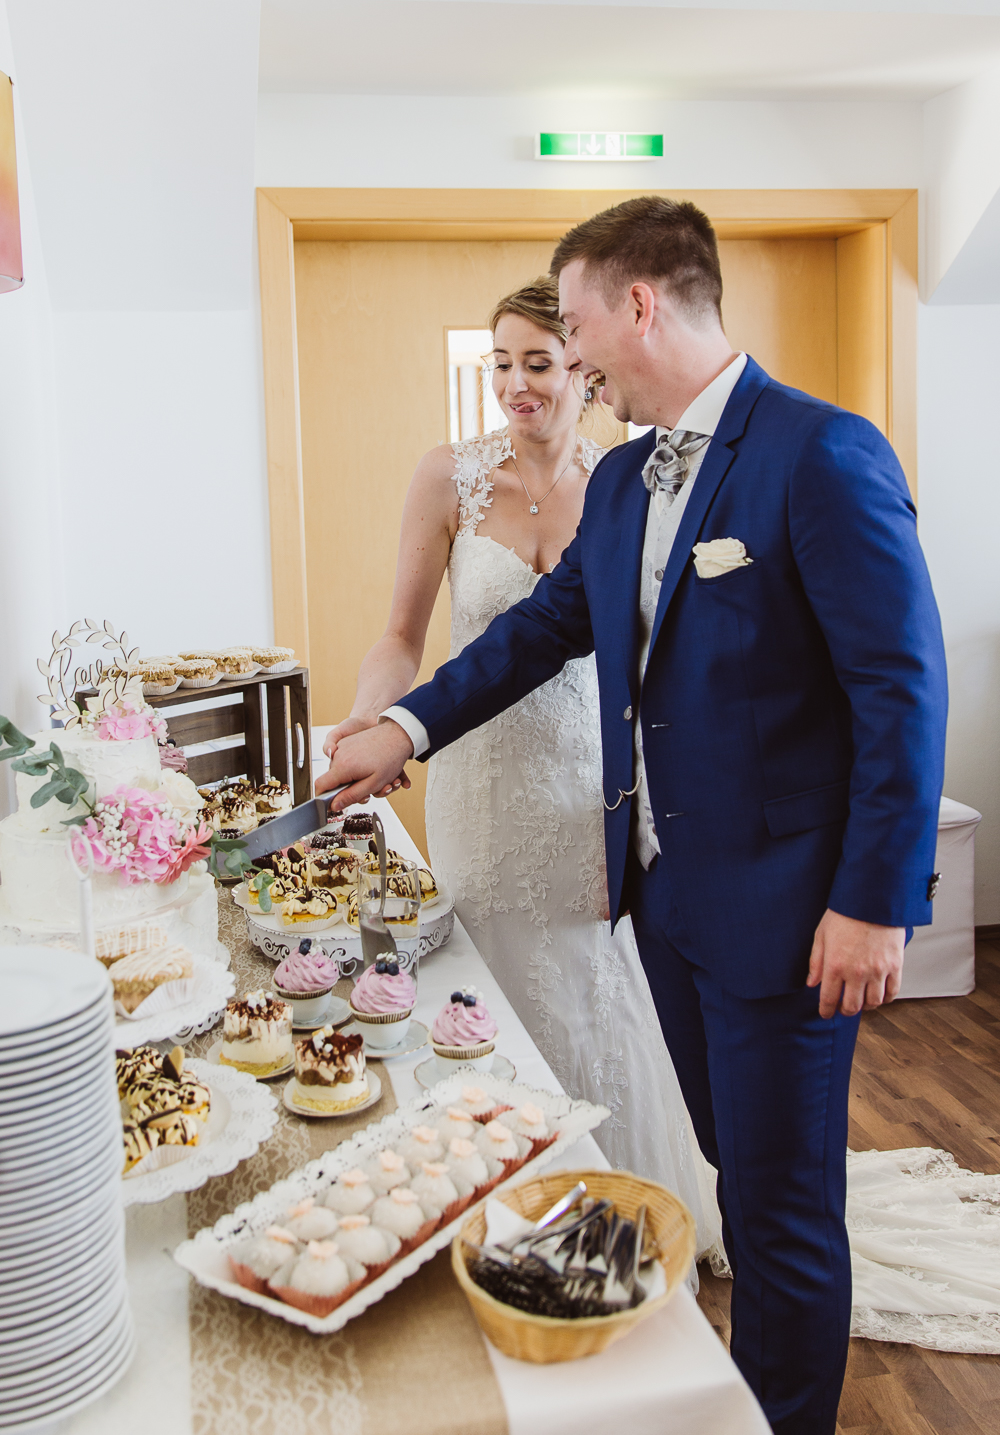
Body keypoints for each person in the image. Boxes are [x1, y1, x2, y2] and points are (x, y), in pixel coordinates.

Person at [317, 197, 948, 1434]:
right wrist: (402, 728)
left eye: (579, 323)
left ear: (638, 304)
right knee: (731, 1174)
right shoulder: (624, 481)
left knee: (781, 1216)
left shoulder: (817, 451)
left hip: (792, 918)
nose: (571, 357)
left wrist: (874, 903)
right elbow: (543, 636)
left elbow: (901, 690)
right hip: (665, 908)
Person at [324, 276, 719, 1248]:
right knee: (481, 988)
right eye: (497, 364)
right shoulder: (448, 477)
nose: (514, 385)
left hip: (587, 778)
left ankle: (611, 1211)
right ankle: (494, 1209)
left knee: (590, 985)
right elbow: (400, 635)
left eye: (535, 363)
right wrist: (374, 718)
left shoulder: (629, 478)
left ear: (581, 368)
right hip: (482, 784)